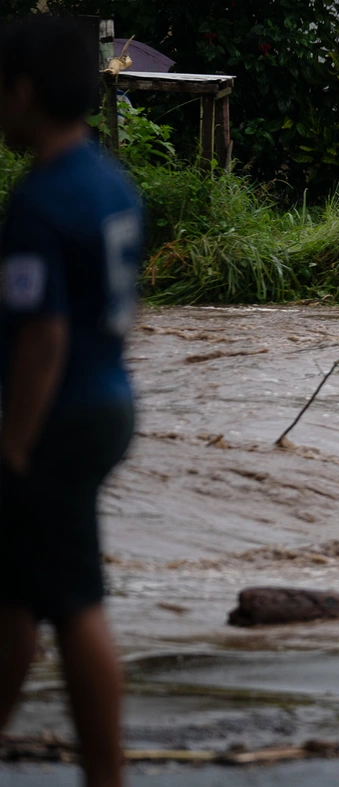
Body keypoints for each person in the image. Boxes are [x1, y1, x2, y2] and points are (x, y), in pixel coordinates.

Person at [0, 17, 145, 787]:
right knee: (19, 594)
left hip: (59, 412)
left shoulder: (39, 201)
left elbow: (42, 338)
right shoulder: (109, 183)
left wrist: (14, 446)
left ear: (22, 93)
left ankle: (105, 774)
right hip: (110, 395)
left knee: (76, 600)